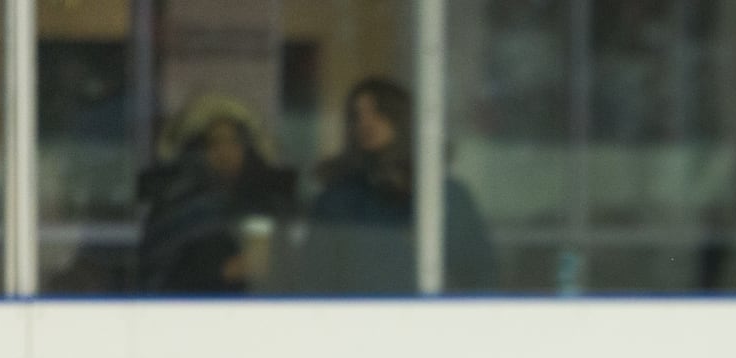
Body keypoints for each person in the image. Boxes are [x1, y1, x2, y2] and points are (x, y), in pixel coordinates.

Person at [291, 76, 498, 294]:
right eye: (357, 116)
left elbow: (480, 272)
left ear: (401, 119)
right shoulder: (338, 200)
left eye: (378, 112)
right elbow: (314, 279)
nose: (366, 123)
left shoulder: (445, 196)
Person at [136, 94, 296, 293]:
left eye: (234, 142)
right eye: (214, 143)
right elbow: (155, 277)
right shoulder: (173, 207)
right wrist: (218, 272)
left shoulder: (263, 206)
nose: (224, 152)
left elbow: (276, 274)